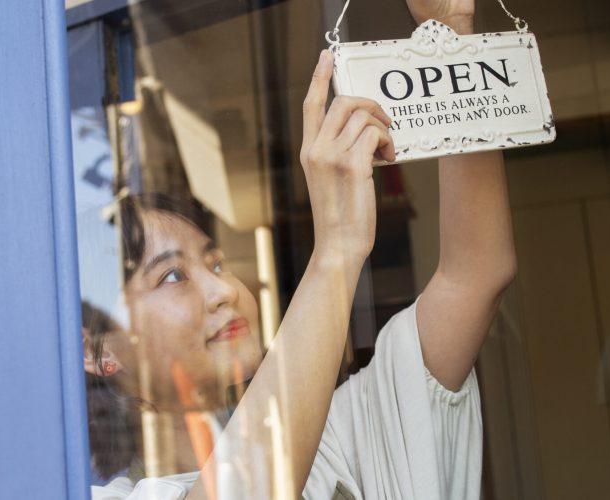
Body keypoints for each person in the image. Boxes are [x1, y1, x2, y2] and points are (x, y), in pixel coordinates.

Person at [84, 0, 516, 497]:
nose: (223, 289)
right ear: (96, 351)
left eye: (215, 262)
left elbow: (476, 275)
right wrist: (335, 249)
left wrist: (450, 36)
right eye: (172, 276)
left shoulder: (343, 434)